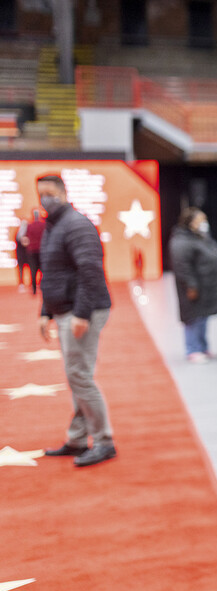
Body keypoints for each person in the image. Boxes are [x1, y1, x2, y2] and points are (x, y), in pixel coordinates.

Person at [35, 174, 117, 468]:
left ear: (62, 193)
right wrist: (46, 311)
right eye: (40, 193)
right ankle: (78, 439)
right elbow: (53, 272)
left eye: (49, 193)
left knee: (80, 376)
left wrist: (81, 313)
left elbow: (90, 272)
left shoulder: (76, 224)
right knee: (76, 375)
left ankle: (104, 441)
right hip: (65, 310)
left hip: (83, 311)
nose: (44, 199)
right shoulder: (53, 226)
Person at [169, 207, 217, 363]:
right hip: (193, 287)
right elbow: (181, 266)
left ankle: (203, 347)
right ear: (190, 222)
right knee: (192, 318)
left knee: (203, 317)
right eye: (200, 220)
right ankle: (192, 349)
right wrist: (191, 285)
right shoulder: (181, 241)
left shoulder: (201, 237)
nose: (204, 223)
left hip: (206, 285)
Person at [24, 208, 46, 295]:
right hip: (41, 250)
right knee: (42, 269)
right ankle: (41, 286)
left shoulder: (30, 226)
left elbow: (26, 237)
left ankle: (34, 289)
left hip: (32, 250)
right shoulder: (43, 225)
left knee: (33, 270)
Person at [14, 216, 28, 291]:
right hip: (23, 254)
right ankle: (22, 283)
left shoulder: (19, 233)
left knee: (22, 269)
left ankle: (23, 283)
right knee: (21, 269)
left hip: (24, 254)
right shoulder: (19, 233)